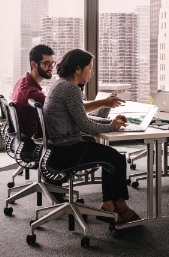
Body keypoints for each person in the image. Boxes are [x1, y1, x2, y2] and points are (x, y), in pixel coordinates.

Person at [43, 48, 139, 224]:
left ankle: (109, 204)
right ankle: (119, 204)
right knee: (116, 159)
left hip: (60, 148)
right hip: (68, 151)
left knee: (111, 158)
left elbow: (81, 117)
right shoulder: (70, 89)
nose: (92, 72)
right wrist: (111, 126)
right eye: (90, 68)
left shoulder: (60, 84)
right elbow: (85, 125)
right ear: (78, 69)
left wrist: (110, 123)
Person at [12, 44, 124, 138]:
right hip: (39, 141)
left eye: (52, 63)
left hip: (39, 138)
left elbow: (74, 111)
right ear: (34, 64)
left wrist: (109, 122)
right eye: (47, 63)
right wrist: (104, 105)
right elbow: (75, 111)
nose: (51, 67)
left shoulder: (22, 83)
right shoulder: (33, 94)